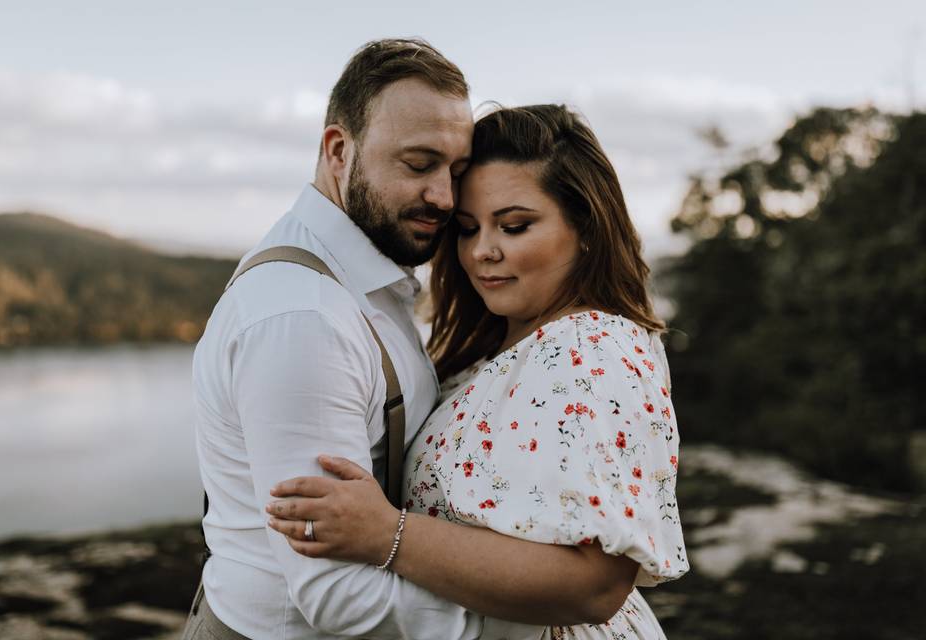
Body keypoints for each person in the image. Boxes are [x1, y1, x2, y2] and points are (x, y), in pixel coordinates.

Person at [266, 104, 689, 639]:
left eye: (515, 226)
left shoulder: (589, 348)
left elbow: (596, 585)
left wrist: (385, 534)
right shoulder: (504, 348)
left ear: (585, 227)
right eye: (467, 229)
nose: (483, 252)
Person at [184, 38, 516, 639]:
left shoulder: (362, 280)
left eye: (456, 171)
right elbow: (335, 591)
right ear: (340, 151)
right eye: (418, 165)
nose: (443, 196)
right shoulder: (304, 318)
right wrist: (527, 618)